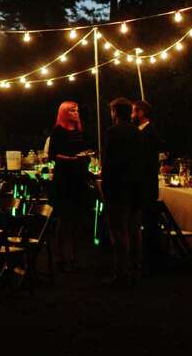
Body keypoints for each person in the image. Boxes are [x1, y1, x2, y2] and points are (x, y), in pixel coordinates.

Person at [102, 98, 143, 288]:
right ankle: (135, 269)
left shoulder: (113, 132)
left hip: (118, 187)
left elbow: (109, 163)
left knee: (118, 231)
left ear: (115, 113)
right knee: (134, 230)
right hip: (135, 186)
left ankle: (121, 273)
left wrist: (105, 186)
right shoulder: (137, 132)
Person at [48, 101, 92, 272]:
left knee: (77, 219)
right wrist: (71, 159)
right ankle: (62, 257)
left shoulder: (80, 131)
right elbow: (53, 155)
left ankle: (74, 256)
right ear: (65, 113)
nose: (76, 113)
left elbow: (86, 149)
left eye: (77, 110)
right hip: (64, 178)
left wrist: (86, 156)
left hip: (79, 178)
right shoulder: (58, 131)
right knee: (64, 219)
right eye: (72, 110)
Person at [132, 100, 164, 275]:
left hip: (147, 183)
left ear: (141, 113)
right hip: (143, 182)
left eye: (133, 112)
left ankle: (152, 259)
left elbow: (147, 159)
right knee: (144, 219)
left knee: (149, 220)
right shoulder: (141, 131)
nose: (131, 116)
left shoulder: (150, 131)